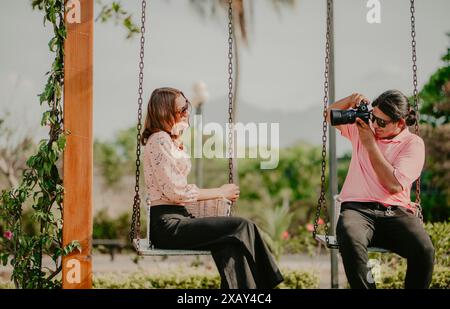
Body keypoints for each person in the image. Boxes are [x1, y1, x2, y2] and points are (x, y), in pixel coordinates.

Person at [141, 87, 283, 289]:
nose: (187, 112)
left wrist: (179, 141)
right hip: (167, 224)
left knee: (230, 244)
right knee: (241, 226)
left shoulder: (170, 141)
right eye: (182, 109)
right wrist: (221, 192)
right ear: (164, 111)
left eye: (187, 107)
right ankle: (270, 283)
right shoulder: (159, 139)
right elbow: (177, 191)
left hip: (179, 218)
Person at [327, 90, 435, 289]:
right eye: (373, 118)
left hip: (395, 212)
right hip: (357, 211)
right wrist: (350, 100)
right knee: (349, 237)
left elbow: (393, 185)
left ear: (400, 123)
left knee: (425, 251)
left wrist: (370, 145)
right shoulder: (363, 128)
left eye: (382, 122)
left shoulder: (412, 144)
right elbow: (329, 114)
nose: (375, 125)